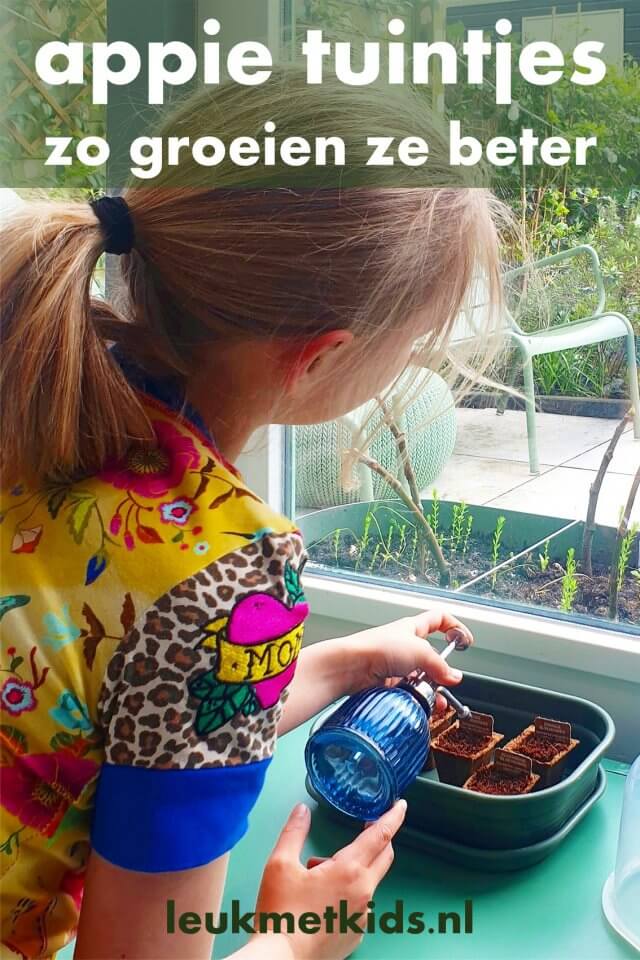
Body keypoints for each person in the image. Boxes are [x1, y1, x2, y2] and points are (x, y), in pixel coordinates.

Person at [0, 69, 503, 960]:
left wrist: (335, 666)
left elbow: (131, 704)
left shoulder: (39, 390)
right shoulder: (223, 573)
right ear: (319, 361)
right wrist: (298, 943)